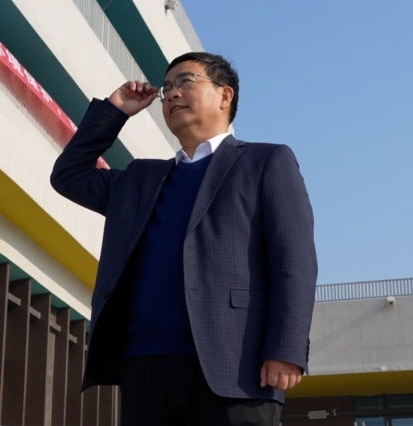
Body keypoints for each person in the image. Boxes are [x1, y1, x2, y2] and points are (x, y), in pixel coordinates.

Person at [51, 52, 317, 426]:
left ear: (225, 95)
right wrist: (115, 111)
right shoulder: (141, 179)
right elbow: (69, 175)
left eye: (186, 82)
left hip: (234, 369)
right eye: (167, 88)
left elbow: (294, 261)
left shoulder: (265, 162)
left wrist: (286, 347)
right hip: (144, 369)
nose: (172, 94)